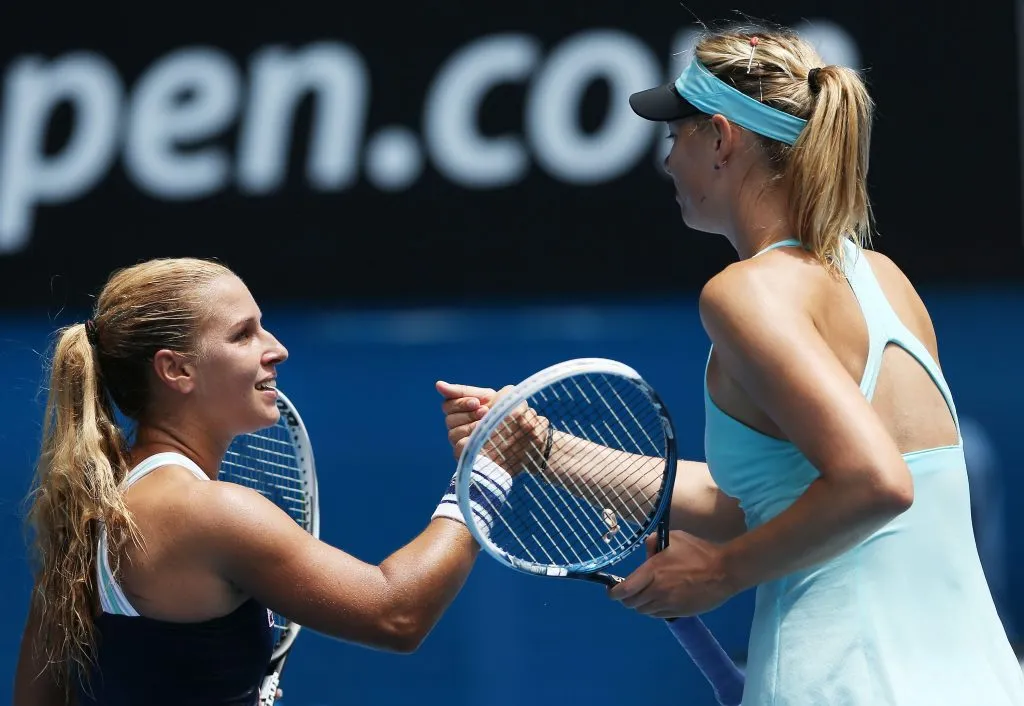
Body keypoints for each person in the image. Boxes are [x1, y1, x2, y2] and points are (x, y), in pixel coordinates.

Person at [437, 23, 1024, 705]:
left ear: (720, 139)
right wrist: (543, 451)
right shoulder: (887, 281)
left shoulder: (741, 294)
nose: (666, 163)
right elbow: (771, 502)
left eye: (673, 137)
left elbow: (875, 483)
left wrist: (720, 573)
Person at [14, 257, 486, 706]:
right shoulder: (209, 512)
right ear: (176, 369)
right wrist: (484, 472)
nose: (276, 349)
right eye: (243, 335)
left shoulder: (87, 513)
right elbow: (397, 613)